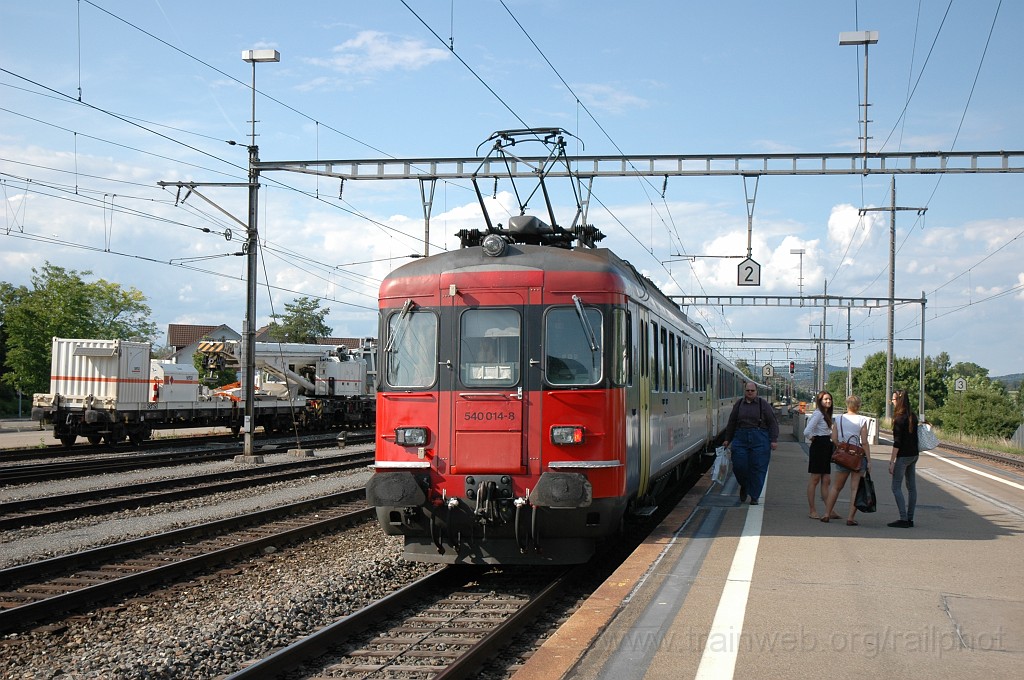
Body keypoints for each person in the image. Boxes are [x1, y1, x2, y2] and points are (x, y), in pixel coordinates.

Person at [722, 382, 779, 506]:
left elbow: (772, 422)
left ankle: (754, 496)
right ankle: (745, 485)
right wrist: (728, 439)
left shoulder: (763, 405)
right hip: (741, 437)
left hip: (760, 438)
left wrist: (773, 439)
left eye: (752, 391)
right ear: (744, 391)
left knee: (758, 468)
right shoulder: (739, 404)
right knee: (738, 465)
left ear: (756, 392)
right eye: (747, 390)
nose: (750, 392)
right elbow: (732, 422)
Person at [821, 394, 871, 525]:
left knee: (836, 487)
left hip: (843, 456)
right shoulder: (862, 420)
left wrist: (841, 447)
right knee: (855, 489)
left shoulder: (839, 419)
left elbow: (834, 438)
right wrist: (869, 460)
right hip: (857, 458)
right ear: (858, 406)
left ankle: (826, 514)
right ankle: (850, 518)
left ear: (847, 405)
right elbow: (864, 442)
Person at [803, 390, 839, 520]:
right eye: (825, 399)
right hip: (819, 446)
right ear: (820, 401)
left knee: (826, 480)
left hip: (826, 446)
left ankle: (830, 509)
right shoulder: (818, 414)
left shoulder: (826, 414)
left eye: (829, 399)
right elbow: (807, 431)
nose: (828, 401)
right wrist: (814, 439)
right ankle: (812, 510)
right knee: (815, 479)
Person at [887, 389, 920, 528]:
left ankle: (903, 518)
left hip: (903, 456)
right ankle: (910, 518)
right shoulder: (912, 416)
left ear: (898, 400)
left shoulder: (899, 419)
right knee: (911, 487)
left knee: (896, 487)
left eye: (893, 400)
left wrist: (892, 461)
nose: (892, 402)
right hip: (914, 455)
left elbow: (897, 443)